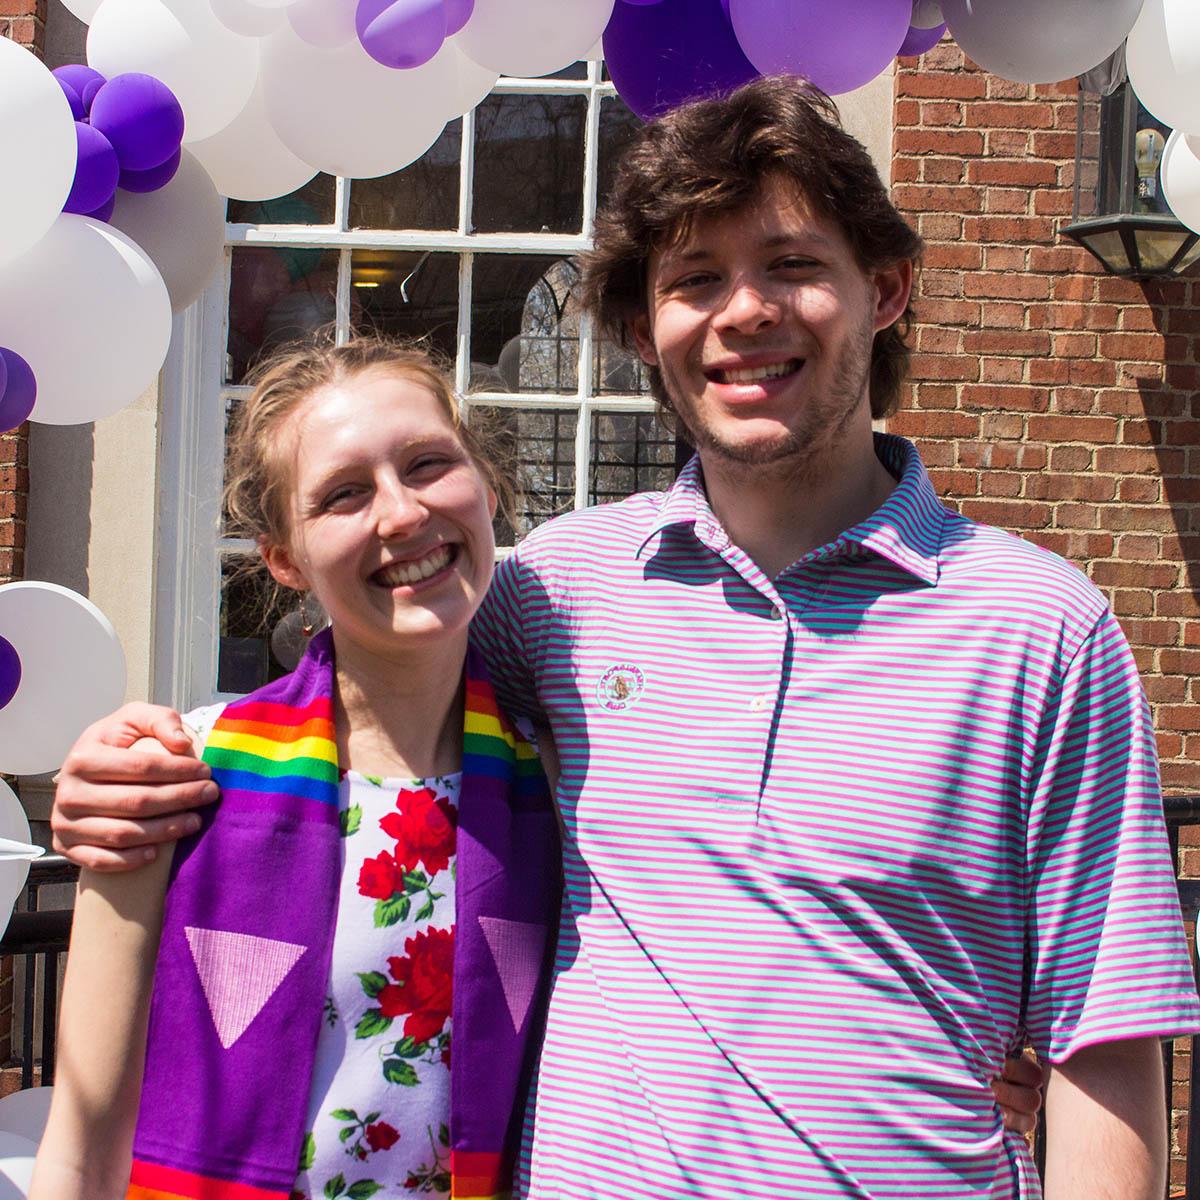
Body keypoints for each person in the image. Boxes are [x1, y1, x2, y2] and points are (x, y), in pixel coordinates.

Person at [47, 77, 1157, 1198]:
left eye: (793, 264)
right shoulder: (557, 596)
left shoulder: (1041, 631)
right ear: (645, 330)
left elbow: (1104, 1042)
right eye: (695, 279)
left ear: (887, 287)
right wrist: (129, 764)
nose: (746, 310)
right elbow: (381, 674)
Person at [31, 339, 561, 1200]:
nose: (401, 514)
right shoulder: (176, 782)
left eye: (429, 464)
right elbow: (82, 1149)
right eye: (344, 494)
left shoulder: (557, 784)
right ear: (285, 557)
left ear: (487, 491)